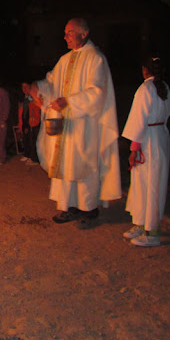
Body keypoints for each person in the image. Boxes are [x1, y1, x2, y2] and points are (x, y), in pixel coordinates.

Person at [30, 18, 121, 228]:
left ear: (84, 33)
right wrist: (37, 87)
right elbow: (51, 82)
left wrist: (69, 101)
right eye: (65, 33)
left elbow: (97, 92)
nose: (65, 37)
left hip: (85, 124)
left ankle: (88, 209)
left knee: (83, 164)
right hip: (66, 125)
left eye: (69, 32)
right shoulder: (65, 59)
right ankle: (68, 206)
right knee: (65, 164)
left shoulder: (96, 59)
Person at [121, 57, 170, 247]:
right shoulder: (164, 87)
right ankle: (141, 223)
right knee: (145, 183)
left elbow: (138, 119)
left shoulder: (145, 89)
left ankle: (152, 232)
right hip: (160, 136)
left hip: (148, 138)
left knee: (151, 185)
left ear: (145, 70)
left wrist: (134, 148)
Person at [18, 82, 41, 165]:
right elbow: (22, 111)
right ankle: (27, 154)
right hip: (26, 121)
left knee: (33, 139)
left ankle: (34, 158)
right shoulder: (24, 98)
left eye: (26, 87)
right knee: (26, 138)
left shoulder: (34, 97)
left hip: (33, 121)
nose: (24, 89)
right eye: (22, 87)